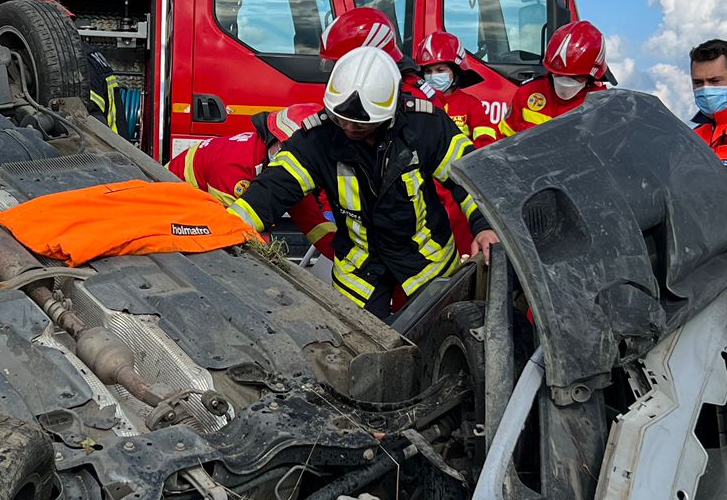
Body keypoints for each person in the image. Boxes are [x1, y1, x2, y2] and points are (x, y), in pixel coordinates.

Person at [230, 47, 497, 315]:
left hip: (428, 264)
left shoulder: (424, 125)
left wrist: (485, 226)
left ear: (389, 114)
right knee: (354, 337)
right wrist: (228, 227)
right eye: (341, 120)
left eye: (360, 124)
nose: (348, 128)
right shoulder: (318, 137)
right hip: (359, 273)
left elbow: (470, 176)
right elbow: (274, 187)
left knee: (436, 333)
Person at [169, 103, 335, 255]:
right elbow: (230, 228)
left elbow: (314, 223)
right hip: (177, 202)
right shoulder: (237, 165)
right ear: (276, 141)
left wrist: (342, 251)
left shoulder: (285, 169)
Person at [501, 19, 615, 134]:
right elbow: (504, 138)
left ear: (592, 76)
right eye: (559, 75)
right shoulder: (528, 93)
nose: (565, 82)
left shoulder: (603, 104)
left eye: (576, 77)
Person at [411, 33, 499, 146]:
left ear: (456, 72)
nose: (433, 76)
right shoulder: (418, 102)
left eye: (440, 70)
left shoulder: (471, 104)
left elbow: (486, 141)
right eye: (428, 71)